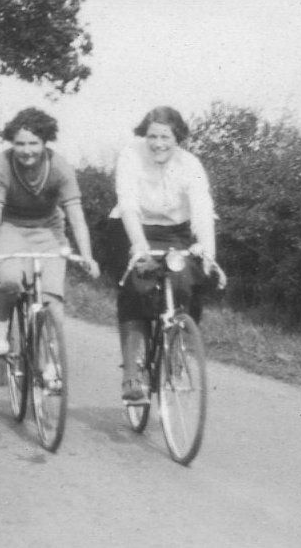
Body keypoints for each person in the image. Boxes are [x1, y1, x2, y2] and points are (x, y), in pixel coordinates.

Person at [0, 107, 100, 381]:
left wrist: (88, 256)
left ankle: (51, 361)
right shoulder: (1, 165)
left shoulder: (60, 167)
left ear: (45, 143)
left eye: (33, 143)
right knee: (8, 279)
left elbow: (76, 217)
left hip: (48, 229)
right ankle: (2, 325)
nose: (27, 150)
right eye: (20, 143)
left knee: (52, 301)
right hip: (11, 227)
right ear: (11, 143)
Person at [109, 105, 218, 401]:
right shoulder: (131, 156)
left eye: (165, 138)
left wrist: (207, 250)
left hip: (176, 232)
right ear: (145, 135)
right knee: (136, 290)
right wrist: (139, 245)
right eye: (152, 136)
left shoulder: (190, 164)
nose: (158, 144)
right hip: (136, 228)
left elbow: (202, 208)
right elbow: (128, 204)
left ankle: (177, 349)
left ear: (177, 138)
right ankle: (132, 373)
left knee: (188, 281)